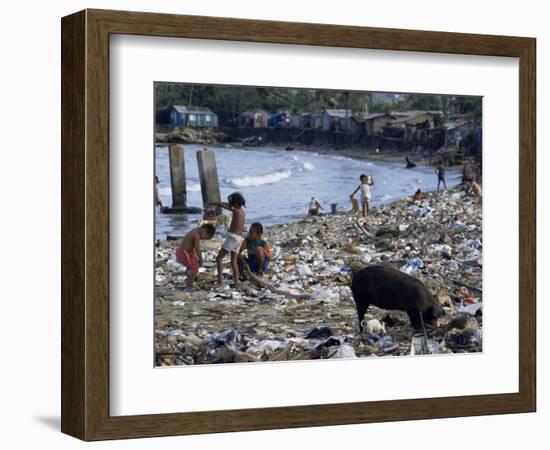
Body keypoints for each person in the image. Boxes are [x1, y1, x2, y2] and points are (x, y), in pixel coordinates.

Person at [209, 192, 246, 288]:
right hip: (239, 238)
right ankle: (236, 282)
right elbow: (228, 206)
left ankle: (220, 282)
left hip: (233, 238)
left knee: (219, 258)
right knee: (234, 261)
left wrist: (217, 203)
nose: (231, 204)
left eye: (232, 202)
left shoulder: (236, 211)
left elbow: (226, 206)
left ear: (236, 203)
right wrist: (219, 203)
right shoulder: (241, 211)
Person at [175, 223, 216, 290]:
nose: (203, 239)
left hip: (185, 252)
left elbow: (192, 248)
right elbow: (197, 248)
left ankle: (189, 283)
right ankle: (189, 286)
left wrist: (195, 258)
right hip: (183, 253)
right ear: (204, 230)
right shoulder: (196, 235)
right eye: (205, 237)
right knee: (194, 267)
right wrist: (201, 259)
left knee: (193, 267)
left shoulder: (195, 231)